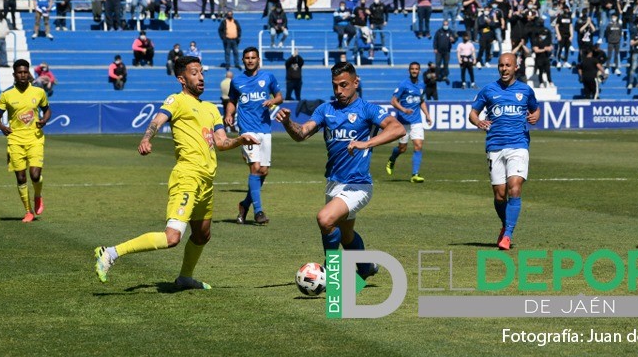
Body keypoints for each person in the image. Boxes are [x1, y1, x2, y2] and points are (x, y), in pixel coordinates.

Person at [94, 56, 259, 288]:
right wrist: (146, 138)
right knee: (172, 237)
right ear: (182, 79)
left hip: (206, 182)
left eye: (201, 72)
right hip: (187, 177)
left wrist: (240, 140)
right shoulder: (177, 100)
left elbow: (221, 143)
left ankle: (184, 278)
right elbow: (158, 120)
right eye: (194, 73)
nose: (200, 77)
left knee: (202, 235)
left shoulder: (211, 109)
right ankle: (110, 253)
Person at [276, 62, 405, 277]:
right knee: (346, 235)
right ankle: (366, 268)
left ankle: (331, 273)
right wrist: (289, 123)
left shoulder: (367, 109)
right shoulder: (326, 110)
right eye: (335, 86)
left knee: (325, 219)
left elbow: (397, 128)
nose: (339, 91)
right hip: (333, 183)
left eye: (344, 85)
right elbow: (302, 133)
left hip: (358, 184)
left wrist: (367, 143)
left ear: (356, 82)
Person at [468, 53, 540, 250]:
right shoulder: (489, 90)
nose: (504, 69)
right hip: (495, 146)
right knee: (500, 196)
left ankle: (507, 234)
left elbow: (535, 109)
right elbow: (473, 113)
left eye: (508, 65)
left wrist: (534, 117)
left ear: (516, 67)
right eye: (501, 65)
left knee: (514, 187)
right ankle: (505, 225)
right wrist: (478, 121)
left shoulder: (525, 90)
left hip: (518, 145)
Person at [225, 47, 283, 225]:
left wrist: (273, 101)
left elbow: (279, 96)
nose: (250, 60)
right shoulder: (237, 81)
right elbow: (232, 101)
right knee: (255, 168)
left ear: (258, 59)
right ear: (243, 60)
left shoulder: (268, 77)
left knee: (263, 172)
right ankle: (258, 212)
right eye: (247, 58)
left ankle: (244, 205)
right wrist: (229, 114)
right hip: (247, 129)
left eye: (253, 58)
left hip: (265, 129)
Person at [0, 59, 52, 222]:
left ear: (29, 73)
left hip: (35, 138)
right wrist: (3, 127)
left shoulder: (38, 92)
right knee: (21, 178)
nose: (23, 75)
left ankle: (38, 196)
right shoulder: (7, 95)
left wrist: (44, 120)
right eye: (20, 72)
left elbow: (47, 110)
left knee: (35, 174)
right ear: (14, 74)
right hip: (15, 140)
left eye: (25, 72)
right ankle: (28, 212)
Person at [386, 62, 433, 183]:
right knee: (402, 149)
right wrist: (403, 110)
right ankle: (392, 158)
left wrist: (427, 115)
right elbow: (393, 101)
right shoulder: (403, 85)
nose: (414, 71)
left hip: (417, 121)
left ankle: (415, 175)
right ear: (409, 71)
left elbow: (421, 101)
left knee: (418, 146)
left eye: (416, 69)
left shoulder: (421, 85)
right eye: (412, 69)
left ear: (419, 71)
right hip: (403, 121)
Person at [433, 20, 457, 84]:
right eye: (444, 24)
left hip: (447, 51)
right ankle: (437, 76)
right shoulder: (439, 31)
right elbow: (435, 40)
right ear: (442, 25)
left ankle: (445, 76)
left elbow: (455, 39)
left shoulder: (450, 31)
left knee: (446, 64)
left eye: (446, 24)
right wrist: (435, 48)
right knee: (438, 64)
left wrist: (453, 40)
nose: (445, 26)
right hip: (439, 51)